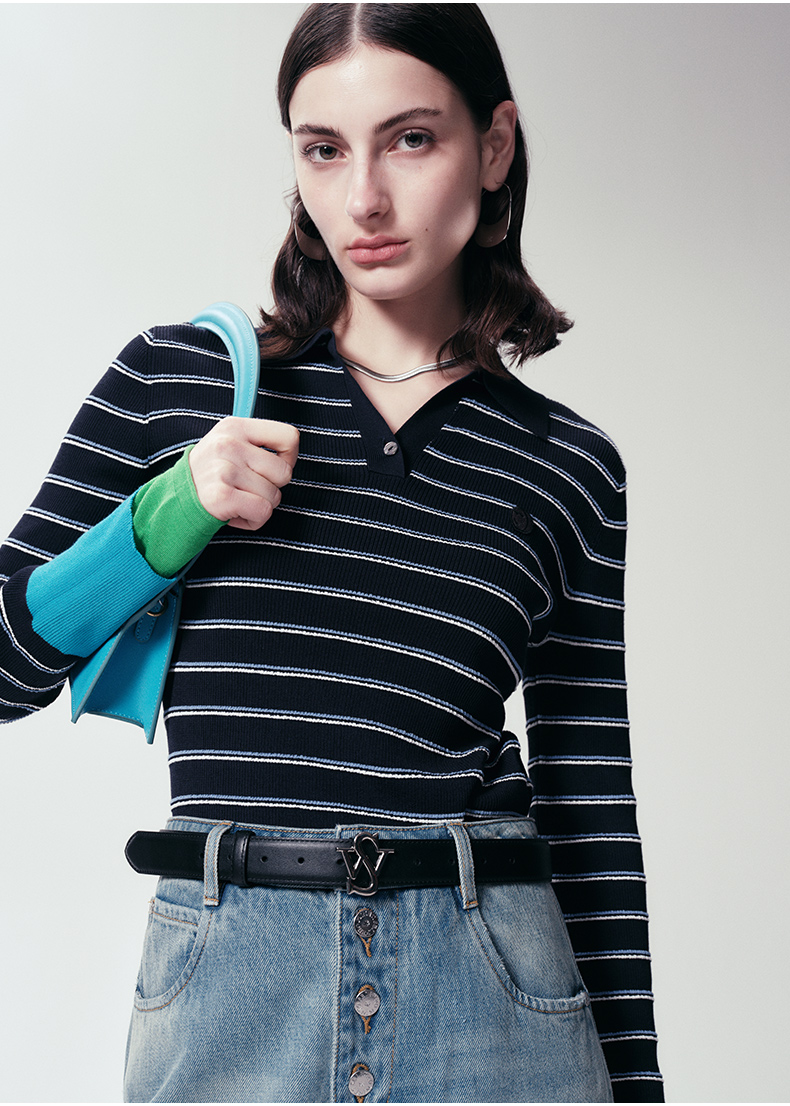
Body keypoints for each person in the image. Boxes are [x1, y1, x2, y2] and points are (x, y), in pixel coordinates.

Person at [0, 4, 662, 1102]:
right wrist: (164, 518)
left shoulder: (567, 464)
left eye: (411, 139)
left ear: (495, 145)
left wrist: (638, 1085)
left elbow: (591, 806)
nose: (363, 198)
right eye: (323, 149)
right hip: (234, 982)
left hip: (492, 987)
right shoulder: (180, 383)